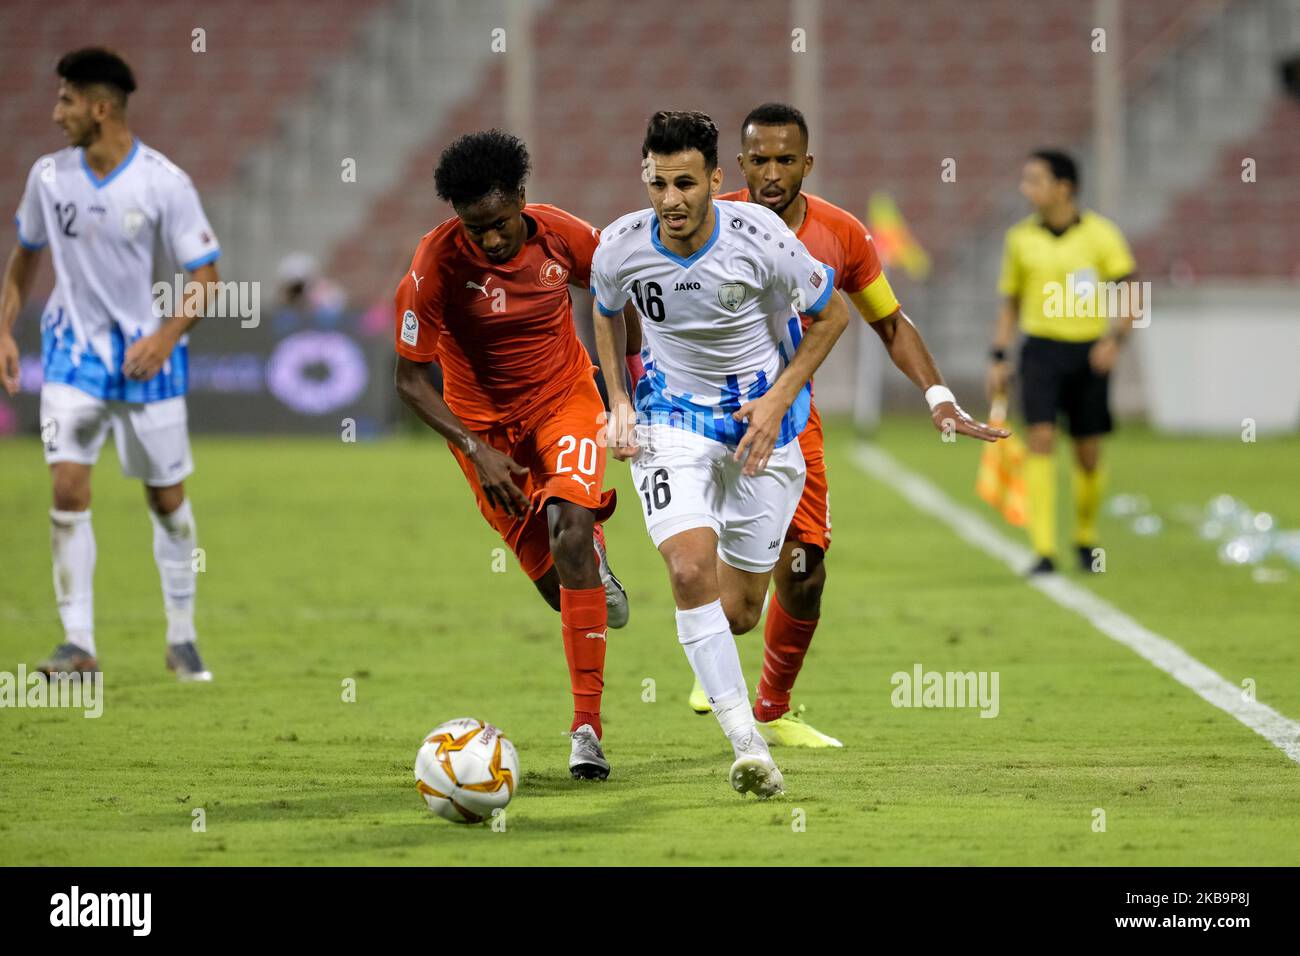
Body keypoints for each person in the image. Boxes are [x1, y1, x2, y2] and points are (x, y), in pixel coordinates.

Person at [699, 102, 1009, 744]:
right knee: (715, 585)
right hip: (700, 413)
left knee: (805, 572)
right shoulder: (704, 221)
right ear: (740, 164)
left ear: (808, 162)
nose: (773, 172)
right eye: (760, 159)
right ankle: (708, 659)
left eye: (787, 159)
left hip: (787, 419)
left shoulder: (841, 234)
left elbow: (890, 322)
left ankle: (771, 709)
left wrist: (938, 396)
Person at [591, 110, 851, 798]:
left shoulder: (761, 238)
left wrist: (776, 400)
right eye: (656, 183)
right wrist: (618, 399)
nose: (669, 200)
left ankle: (732, 684)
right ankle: (749, 747)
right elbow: (606, 306)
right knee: (685, 568)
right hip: (670, 419)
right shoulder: (619, 245)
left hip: (765, 428)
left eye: (683, 182)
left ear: (713, 179)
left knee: (737, 612)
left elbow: (834, 315)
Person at [393, 129, 629, 780]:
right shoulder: (434, 265)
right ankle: (589, 564)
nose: (489, 241)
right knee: (561, 589)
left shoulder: (562, 235)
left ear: (521, 200)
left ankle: (586, 728)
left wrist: (628, 381)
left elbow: (615, 291)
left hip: (566, 404)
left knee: (570, 527)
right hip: (485, 437)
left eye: (498, 225)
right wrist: (474, 448)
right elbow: (409, 380)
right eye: (475, 230)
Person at [1, 48, 222, 681]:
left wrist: (165, 337)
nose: (54, 113)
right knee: (67, 490)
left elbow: (205, 278)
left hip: (146, 364)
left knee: (166, 499)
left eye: (66, 100)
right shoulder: (48, 177)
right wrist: (4, 328)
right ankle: (78, 645)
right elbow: (25, 255)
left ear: (100, 108)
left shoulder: (162, 182)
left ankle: (181, 635)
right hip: (71, 358)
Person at [987, 149, 1138, 574]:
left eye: (1034, 180)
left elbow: (1132, 290)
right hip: (1040, 352)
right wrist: (998, 355)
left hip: (1089, 352)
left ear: (1063, 187)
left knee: (1087, 453)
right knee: (1040, 439)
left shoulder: (1101, 235)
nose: (1025, 188)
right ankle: (1044, 550)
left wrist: (1116, 339)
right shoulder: (1020, 238)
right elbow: (1010, 303)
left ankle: (1086, 538)